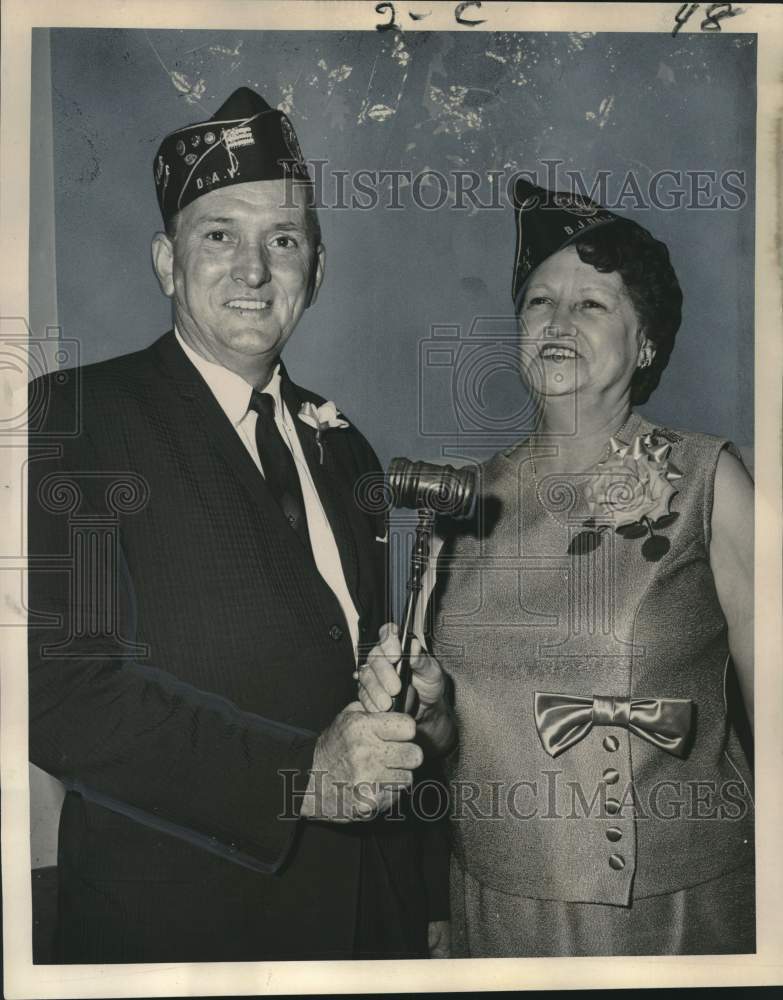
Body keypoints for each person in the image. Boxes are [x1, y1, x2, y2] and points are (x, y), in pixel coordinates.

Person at [27, 87, 447, 963]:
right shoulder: (74, 416)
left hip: (368, 933)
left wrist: (408, 705)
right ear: (165, 262)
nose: (254, 270)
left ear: (316, 273)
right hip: (184, 937)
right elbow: (58, 696)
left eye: (283, 241)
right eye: (219, 235)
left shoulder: (348, 452)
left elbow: (338, 679)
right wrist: (305, 777)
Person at [358, 180, 755, 956]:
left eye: (591, 305)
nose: (557, 323)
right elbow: (452, 735)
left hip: (673, 910)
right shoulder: (458, 502)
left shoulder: (709, 480)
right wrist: (432, 712)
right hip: (492, 906)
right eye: (538, 302)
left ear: (646, 342)